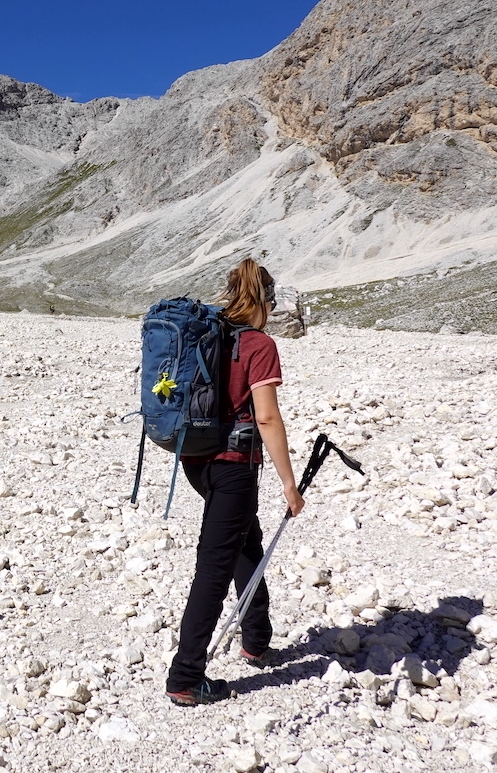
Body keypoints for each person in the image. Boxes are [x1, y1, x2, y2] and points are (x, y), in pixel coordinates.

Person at [165, 258, 304, 707]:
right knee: (215, 565)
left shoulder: (207, 333)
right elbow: (267, 417)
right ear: (266, 300)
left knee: (245, 539)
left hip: (195, 460)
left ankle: (257, 638)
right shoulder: (259, 344)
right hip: (234, 466)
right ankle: (186, 676)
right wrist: (289, 483)